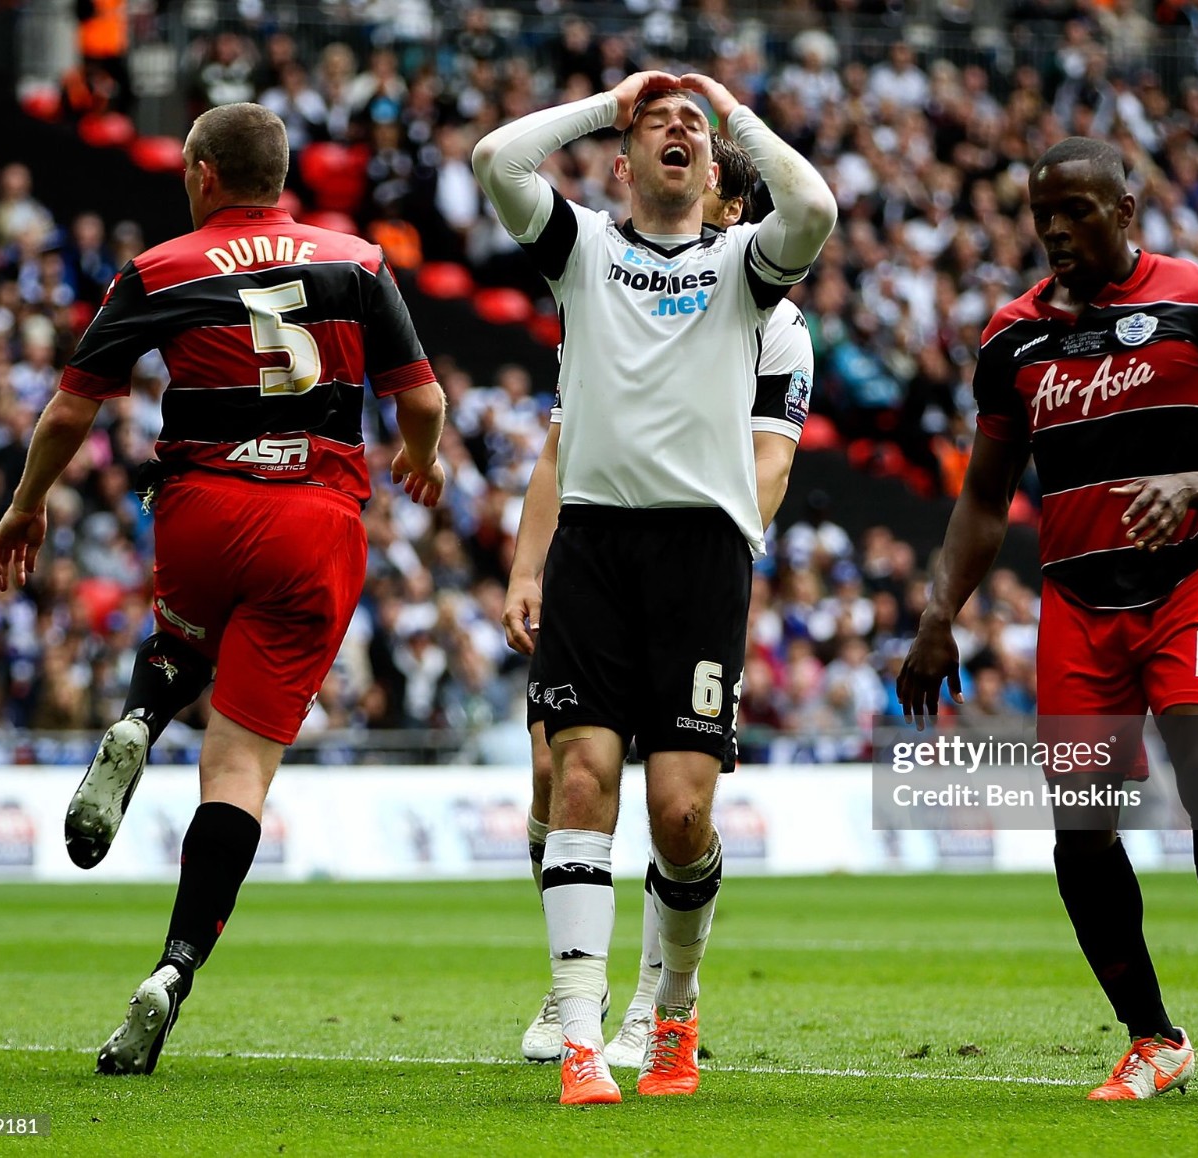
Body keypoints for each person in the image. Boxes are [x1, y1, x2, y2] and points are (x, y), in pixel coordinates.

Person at [0, 102, 446, 1076]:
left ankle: (139, 720)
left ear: (201, 172)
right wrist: (422, 459)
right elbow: (425, 399)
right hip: (317, 523)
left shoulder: (160, 266)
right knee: (238, 773)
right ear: (281, 176)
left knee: (184, 631)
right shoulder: (356, 260)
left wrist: (26, 506)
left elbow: (72, 409)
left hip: (202, 504)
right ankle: (172, 971)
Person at [896, 137, 1198, 1105]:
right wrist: (935, 613)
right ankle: (1153, 1038)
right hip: (1078, 608)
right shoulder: (1011, 338)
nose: (1053, 230)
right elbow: (984, 498)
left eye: (1074, 210)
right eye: (1041, 213)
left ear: (1125, 210)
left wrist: (1193, 483)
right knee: (1081, 831)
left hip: (1189, 584)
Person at [474, 71, 835, 1104]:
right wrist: (605, 104)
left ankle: (672, 1007)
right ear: (624, 161)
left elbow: (814, 208)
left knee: (680, 817)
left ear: (718, 170)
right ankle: (582, 1032)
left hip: (701, 558)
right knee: (575, 778)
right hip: (592, 545)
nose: (678, 135)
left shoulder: (745, 271)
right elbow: (493, 161)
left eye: (696, 135)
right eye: (657, 128)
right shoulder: (583, 251)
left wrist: (730, 113)